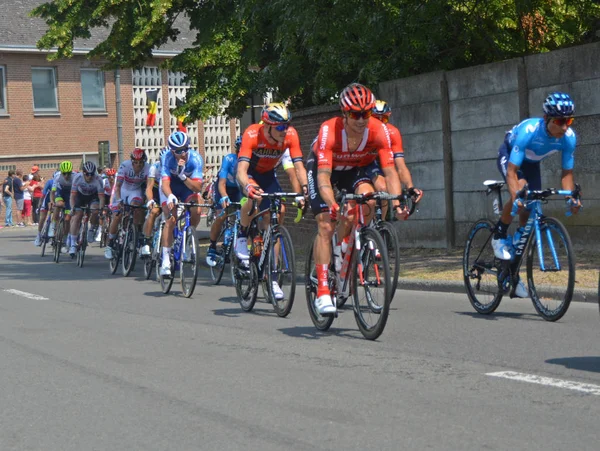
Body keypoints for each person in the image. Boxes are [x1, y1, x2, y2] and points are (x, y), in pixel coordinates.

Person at [306, 83, 405, 314]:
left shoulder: (378, 129)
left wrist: (398, 203)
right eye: (355, 114)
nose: (362, 119)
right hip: (323, 170)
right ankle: (322, 289)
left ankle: (347, 245)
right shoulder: (329, 131)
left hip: (353, 169)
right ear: (344, 113)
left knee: (369, 198)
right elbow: (323, 178)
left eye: (367, 113)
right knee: (325, 223)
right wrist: (331, 205)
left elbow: (390, 172)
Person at [491, 92, 580, 297]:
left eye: (569, 121)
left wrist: (570, 198)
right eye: (560, 121)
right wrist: (516, 195)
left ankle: (513, 268)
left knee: (531, 204)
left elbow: (567, 173)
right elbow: (512, 172)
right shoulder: (529, 131)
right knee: (520, 191)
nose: (565, 126)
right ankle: (499, 235)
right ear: (547, 119)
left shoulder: (568, 138)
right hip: (510, 156)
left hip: (532, 163)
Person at [235, 103, 308, 264]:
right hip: (249, 173)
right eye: (280, 128)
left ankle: (272, 266)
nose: (285, 131)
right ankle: (242, 234)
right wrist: (248, 186)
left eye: (287, 126)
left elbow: (299, 167)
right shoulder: (252, 133)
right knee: (256, 197)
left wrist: (304, 189)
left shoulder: (291, 135)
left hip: (267, 175)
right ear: (268, 126)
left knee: (280, 210)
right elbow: (241, 171)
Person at [158, 131, 205, 276]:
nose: (183, 153)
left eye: (185, 148)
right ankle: (166, 259)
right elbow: (165, 184)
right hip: (171, 186)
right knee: (170, 219)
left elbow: (197, 188)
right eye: (179, 151)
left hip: (187, 186)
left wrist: (183, 176)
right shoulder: (167, 158)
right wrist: (170, 195)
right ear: (172, 151)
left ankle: (189, 237)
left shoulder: (195, 159)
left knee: (196, 210)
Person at [369, 100, 423, 216]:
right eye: (375, 119)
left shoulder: (392, 132)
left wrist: (410, 187)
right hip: (362, 162)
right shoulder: (363, 132)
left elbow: (401, 166)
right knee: (379, 188)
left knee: (383, 190)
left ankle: (379, 225)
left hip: (380, 163)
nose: (380, 123)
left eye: (383, 119)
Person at [104, 149, 150, 259]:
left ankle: (137, 236)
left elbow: (148, 187)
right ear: (132, 161)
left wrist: (148, 200)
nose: (138, 165)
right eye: (135, 162)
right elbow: (118, 186)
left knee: (137, 208)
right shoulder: (125, 166)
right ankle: (110, 245)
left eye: (140, 163)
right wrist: (119, 200)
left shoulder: (148, 168)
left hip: (135, 191)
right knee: (117, 215)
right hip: (123, 190)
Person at [206, 136, 243, 266]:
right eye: (240, 149)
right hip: (224, 187)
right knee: (222, 215)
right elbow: (221, 182)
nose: (242, 152)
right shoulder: (229, 159)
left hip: (238, 189)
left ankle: (236, 245)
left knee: (243, 215)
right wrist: (224, 196)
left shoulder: (250, 161)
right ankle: (212, 245)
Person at [68, 161, 105, 256]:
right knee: (77, 216)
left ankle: (91, 229)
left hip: (93, 197)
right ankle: (72, 244)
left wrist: (100, 211)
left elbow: (101, 198)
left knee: (95, 210)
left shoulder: (98, 179)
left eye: (91, 174)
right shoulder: (77, 178)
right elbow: (72, 196)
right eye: (87, 174)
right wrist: (72, 208)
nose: (89, 176)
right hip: (80, 196)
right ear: (83, 172)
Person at [140, 149, 167, 257]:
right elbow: (149, 187)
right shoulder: (154, 167)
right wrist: (150, 199)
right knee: (153, 211)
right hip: (156, 192)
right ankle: (146, 241)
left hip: (168, 191)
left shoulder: (174, 167)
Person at [48, 161, 74, 253]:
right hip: (61, 192)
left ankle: (65, 239)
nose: (66, 175)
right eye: (64, 173)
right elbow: (53, 191)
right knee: (58, 205)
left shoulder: (75, 177)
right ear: (61, 172)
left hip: (70, 195)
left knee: (67, 219)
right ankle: (53, 226)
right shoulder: (58, 176)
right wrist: (52, 201)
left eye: (68, 173)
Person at [34, 173, 57, 246]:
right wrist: (39, 205)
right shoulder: (50, 182)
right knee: (42, 217)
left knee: (57, 216)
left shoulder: (63, 183)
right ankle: (39, 235)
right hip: (47, 200)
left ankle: (55, 233)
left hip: (58, 200)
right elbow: (43, 194)